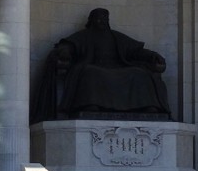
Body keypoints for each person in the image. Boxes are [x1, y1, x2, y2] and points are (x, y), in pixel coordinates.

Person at [31, 8, 171, 122]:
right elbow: (68, 46)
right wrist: (64, 52)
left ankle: (148, 106)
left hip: (117, 67)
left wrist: (152, 55)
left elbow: (136, 51)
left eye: (105, 19)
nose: (102, 21)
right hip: (93, 66)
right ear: (91, 21)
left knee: (140, 73)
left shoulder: (116, 36)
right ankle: (91, 105)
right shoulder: (84, 36)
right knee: (91, 73)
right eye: (99, 18)